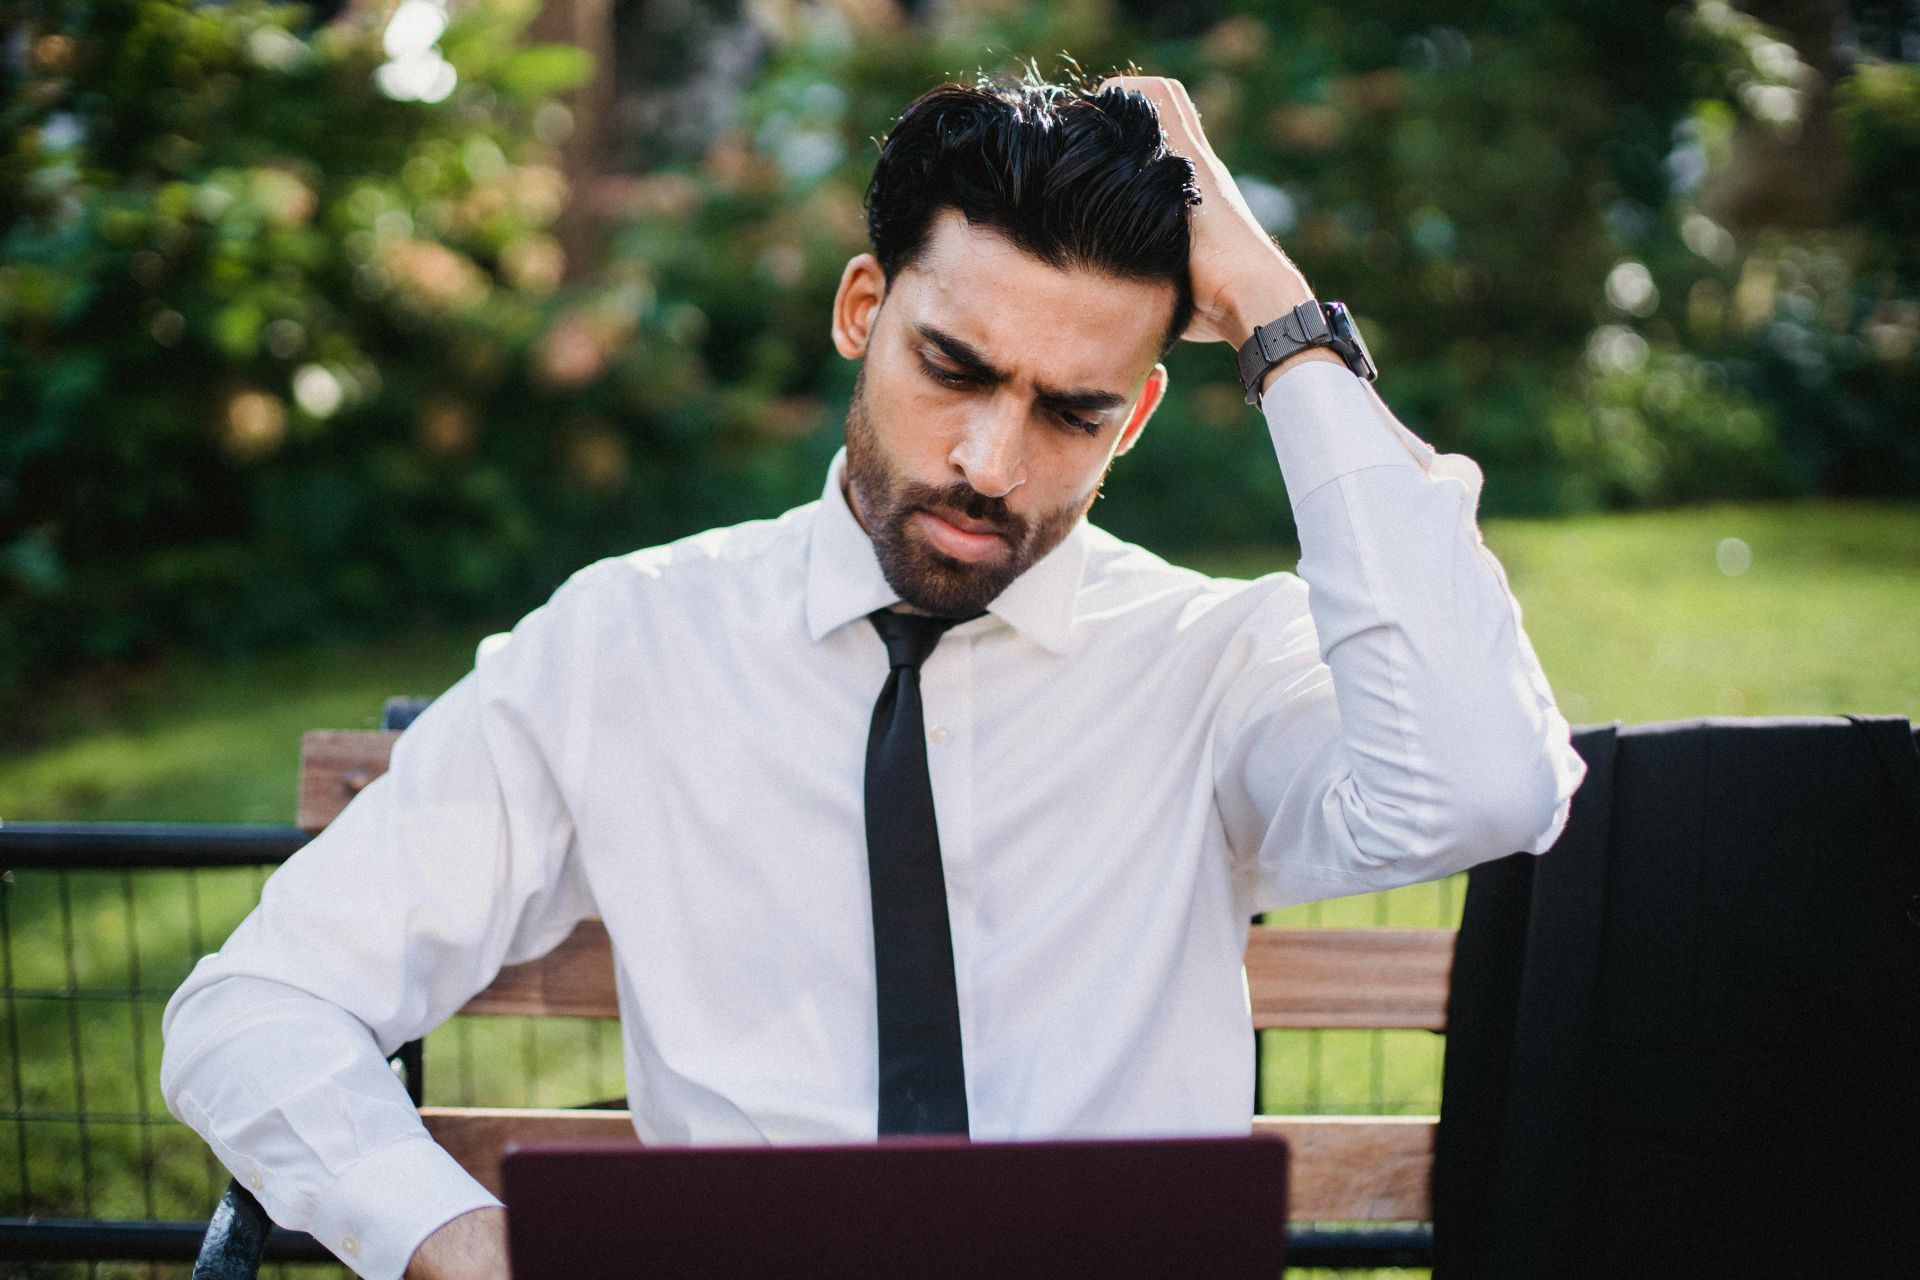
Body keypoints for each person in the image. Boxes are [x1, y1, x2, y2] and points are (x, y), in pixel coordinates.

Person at [161, 72, 1585, 1280]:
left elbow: (1485, 786)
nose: (989, 463)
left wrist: (1280, 321)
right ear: (862, 307)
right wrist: (457, 1239)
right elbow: (257, 1007)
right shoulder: (626, 647)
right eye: (953, 367)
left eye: (1071, 412)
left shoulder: (1210, 664)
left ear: (1137, 416)